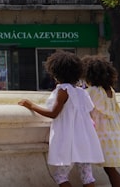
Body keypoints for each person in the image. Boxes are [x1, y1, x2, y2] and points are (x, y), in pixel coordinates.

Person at [18, 51, 104, 187]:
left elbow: (53, 113)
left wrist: (31, 105)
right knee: (87, 176)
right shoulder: (82, 92)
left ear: (56, 74)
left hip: (69, 140)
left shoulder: (63, 90)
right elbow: (88, 112)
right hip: (84, 138)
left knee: (60, 175)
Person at [82, 55, 120, 187]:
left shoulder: (92, 91)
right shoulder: (110, 91)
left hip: (102, 134)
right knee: (110, 169)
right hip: (115, 132)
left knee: (110, 169)